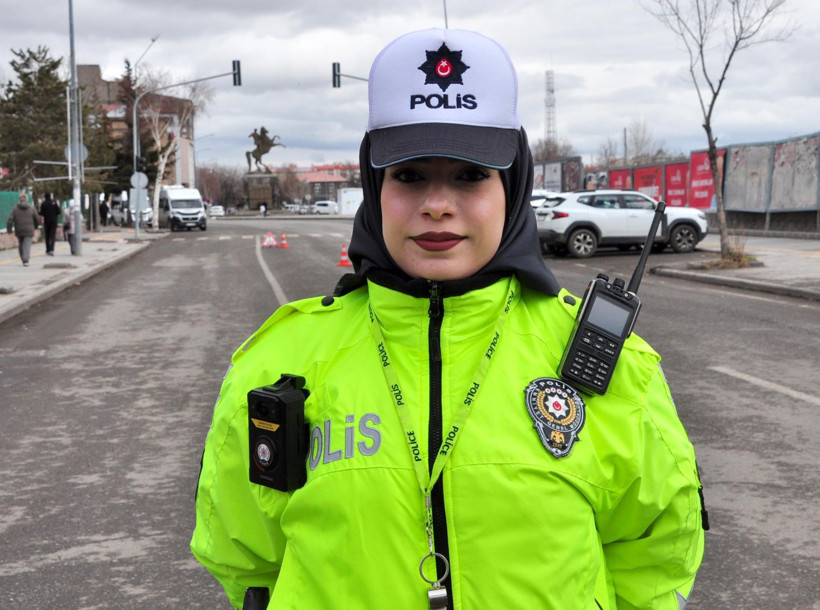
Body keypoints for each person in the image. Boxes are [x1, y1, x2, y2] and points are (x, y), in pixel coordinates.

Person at [191, 29, 706, 610]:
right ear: (373, 185)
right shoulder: (280, 361)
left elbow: (656, 555)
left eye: (469, 175)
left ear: (511, 187)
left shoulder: (614, 365)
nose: (437, 203)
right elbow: (245, 555)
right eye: (409, 175)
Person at [6, 192, 40, 266]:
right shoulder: (31, 208)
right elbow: (37, 218)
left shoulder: (15, 208)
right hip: (29, 229)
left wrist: (9, 230)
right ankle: (25, 260)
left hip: (19, 229)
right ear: (26, 199)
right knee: (27, 244)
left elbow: (10, 220)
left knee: (21, 244)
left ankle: (23, 258)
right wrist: (36, 226)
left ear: (19, 200)